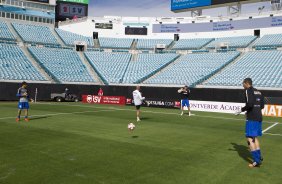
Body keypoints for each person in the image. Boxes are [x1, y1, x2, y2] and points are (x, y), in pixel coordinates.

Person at [235, 78, 264, 168]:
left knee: (249, 138)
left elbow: (250, 104)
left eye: (243, 84)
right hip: (259, 116)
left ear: (246, 83)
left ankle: (256, 161)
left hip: (252, 118)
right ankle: (259, 157)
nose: (242, 85)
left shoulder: (248, 91)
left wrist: (241, 110)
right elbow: (262, 106)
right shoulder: (258, 92)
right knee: (254, 137)